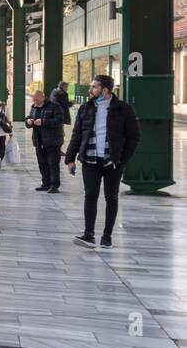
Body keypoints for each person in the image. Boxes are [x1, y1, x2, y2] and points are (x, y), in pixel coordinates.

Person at [65, 75, 141, 248]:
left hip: (112, 162)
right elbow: (77, 134)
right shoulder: (86, 108)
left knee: (111, 197)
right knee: (90, 195)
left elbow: (134, 137)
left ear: (105, 90)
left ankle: (107, 237)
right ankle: (88, 234)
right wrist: (70, 159)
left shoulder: (123, 109)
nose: (90, 90)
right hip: (90, 160)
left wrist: (123, 159)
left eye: (94, 87)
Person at [24, 89, 64, 192]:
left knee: (53, 164)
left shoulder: (54, 106)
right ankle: (46, 183)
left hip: (52, 141)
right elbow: (30, 118)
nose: (35, 101)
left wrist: (43, 122)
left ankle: (54, 185)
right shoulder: (34, 107)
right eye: (34, 99)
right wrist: (28, 121)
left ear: (43, 97)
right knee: (42, 163)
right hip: (39, 140)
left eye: (37, 99)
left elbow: (58, 121)